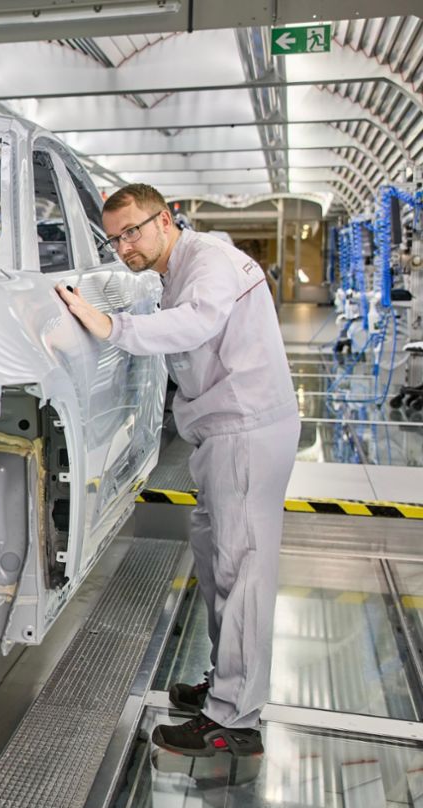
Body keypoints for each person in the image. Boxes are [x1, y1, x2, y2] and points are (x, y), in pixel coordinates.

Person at [56, 183, 299, 758]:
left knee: (241, 572)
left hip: (245, 431)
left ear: (165, 220)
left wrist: (112, 327)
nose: (124, 247)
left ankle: (234, 720)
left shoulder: (208, 261)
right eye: (115, 239)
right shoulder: (176, 268)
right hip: (223, 431)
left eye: (132, 232)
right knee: (217, 561)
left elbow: (196, 323)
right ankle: (227, 686)